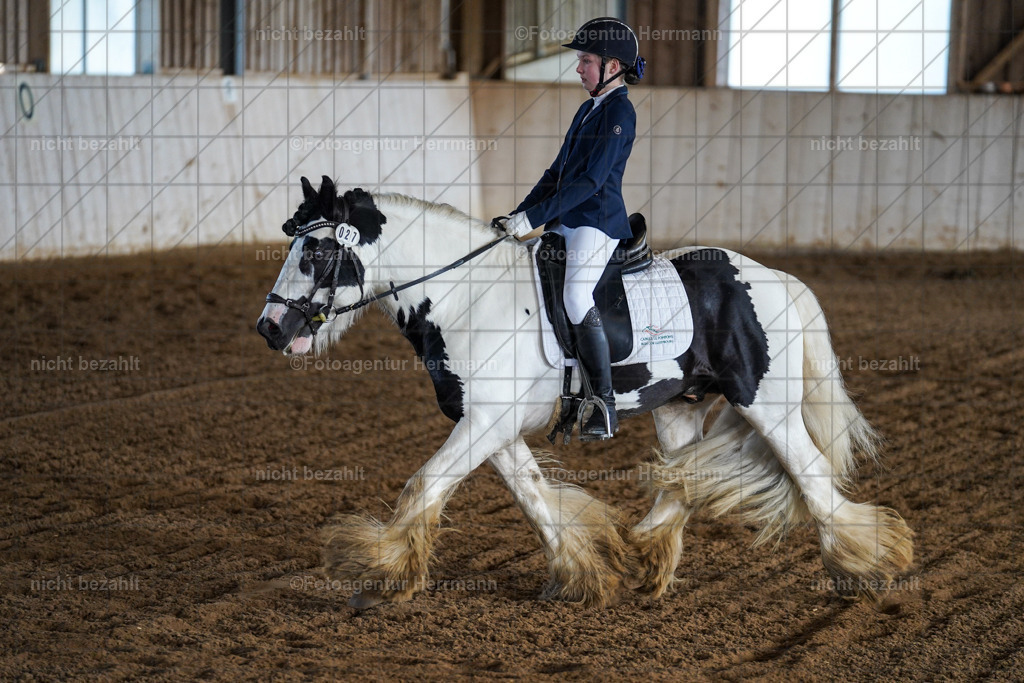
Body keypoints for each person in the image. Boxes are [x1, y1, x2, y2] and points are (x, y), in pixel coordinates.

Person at [494, 17, 645, 440]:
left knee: (577, 295)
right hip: (566, 219)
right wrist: (517, 216)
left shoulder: (620, 111)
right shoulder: (588, 108)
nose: (579, 68)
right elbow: (557, 173)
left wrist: (534, 219)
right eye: (580, 61)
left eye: (586, 60)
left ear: (612, 65)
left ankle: (603, 402)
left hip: (597, 220)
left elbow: (590, 182)